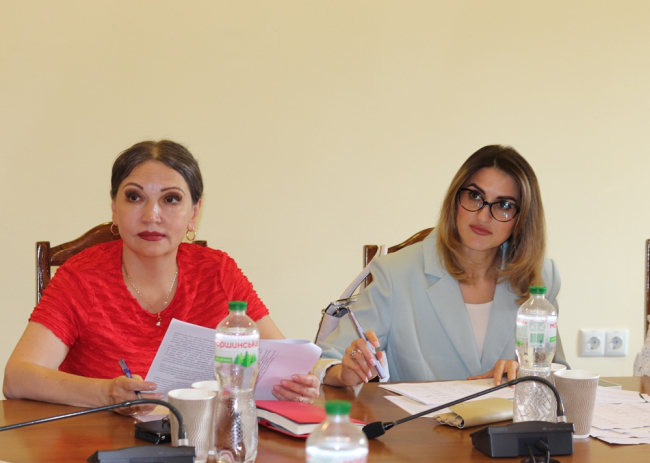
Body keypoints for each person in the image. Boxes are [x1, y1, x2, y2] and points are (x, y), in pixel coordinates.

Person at [3, 140, 320, 414]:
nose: (151, 215)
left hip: (202, 443)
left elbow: (284, 361)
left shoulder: (218, 271)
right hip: (99, 443)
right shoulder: (81, 276)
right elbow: (17, 378)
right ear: (114, 207)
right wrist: (106, 394)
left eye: (171, 199)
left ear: (194, 213)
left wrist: (298, 383)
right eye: (134, 197)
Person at [317, 145, 567, 388]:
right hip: (419, 418)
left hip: (509, 417)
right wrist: (345, 372)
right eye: (475, 196)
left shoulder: (540, 277)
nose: (483, 216)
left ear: (522, 218)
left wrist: (527, 373)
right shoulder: (396, 273)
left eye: (504, 205)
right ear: (455, 198)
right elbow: (326, 359)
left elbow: (559, 374)